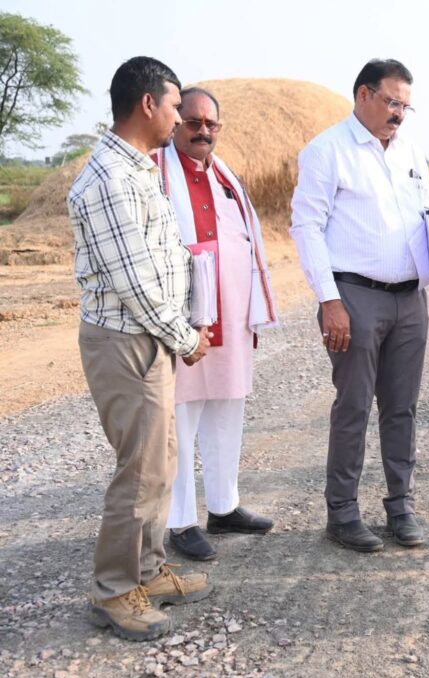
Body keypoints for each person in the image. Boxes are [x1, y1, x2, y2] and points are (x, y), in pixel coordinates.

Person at [69, 56, 213, 641]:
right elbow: (135, 282)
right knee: (140, 470)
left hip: (145, 336)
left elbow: (157, 259)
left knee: (161, 461)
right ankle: (113, 591)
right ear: (148, 103)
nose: (181, 119)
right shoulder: (110, 178)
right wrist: (185, 337)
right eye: (176, 107)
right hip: (126, 339)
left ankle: (148, 573)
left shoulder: (137, 169)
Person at [290, 59, 429, 553]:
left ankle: (401, 507)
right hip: (354, 298)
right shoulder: (327, 151)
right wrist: (329, 300)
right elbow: (307, 227)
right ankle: (342, 513)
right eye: (391, 101)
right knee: (354, 407)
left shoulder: (410, 153)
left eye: (405, 105)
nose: (399, 113)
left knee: (402, 409)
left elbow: (427, 213)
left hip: (409, 299)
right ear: (363, 95)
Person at [155, 87, 279, 561]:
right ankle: (180, 520)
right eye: (193, 122)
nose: (203, 130)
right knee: (180, 419)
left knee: (227, 411)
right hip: (182, 320)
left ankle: (224, 507)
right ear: (175, 123)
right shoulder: (155, 173)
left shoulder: (226, 177)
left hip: (231, 315)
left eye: (211, 124)